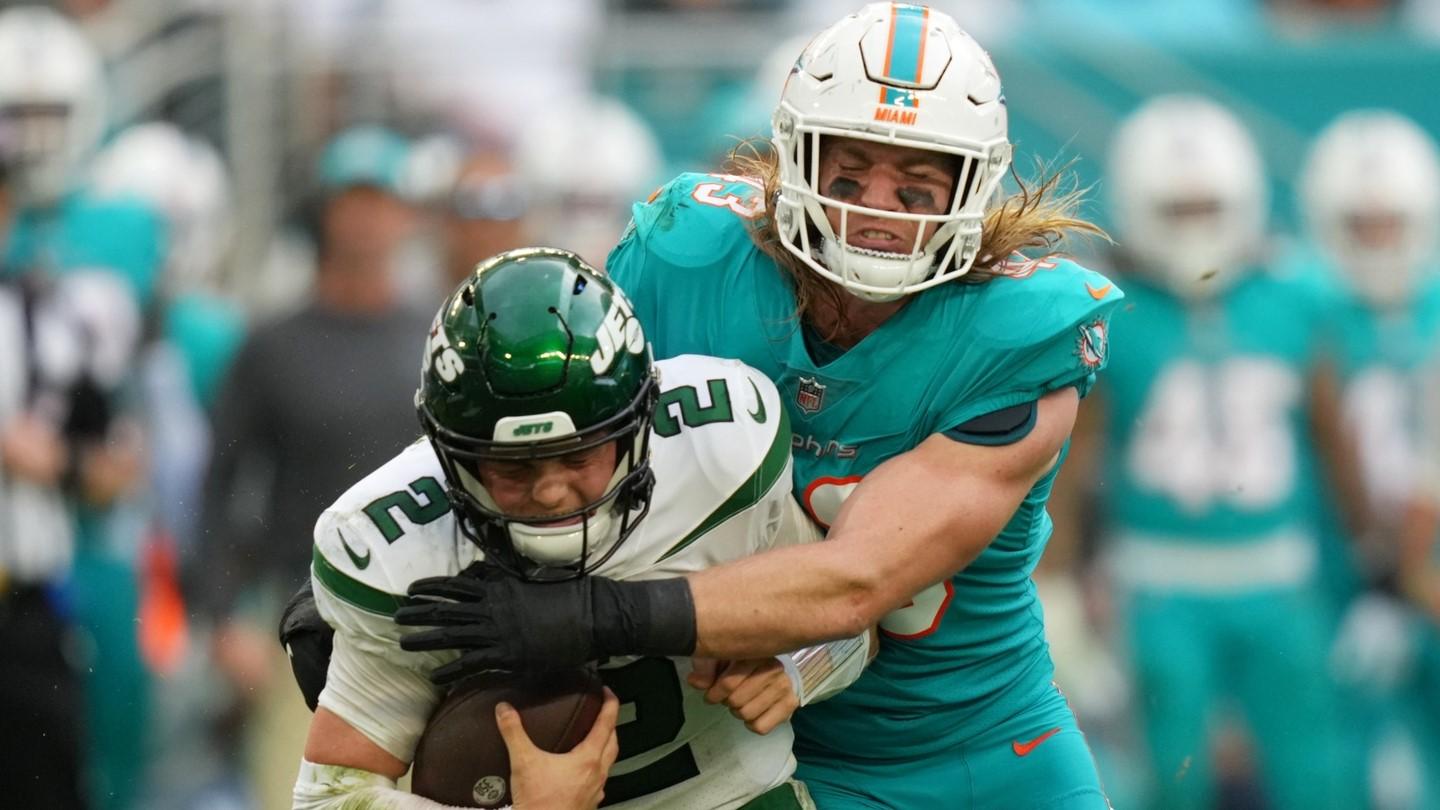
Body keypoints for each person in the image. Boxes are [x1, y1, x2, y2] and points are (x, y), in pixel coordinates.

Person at [393, 5, 1120, 808]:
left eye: (915, 185)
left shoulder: (1017, 334)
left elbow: (856, 582)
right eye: (848, 175)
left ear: (972, 186)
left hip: (982, 746)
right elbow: (540, 426)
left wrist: (593, 617)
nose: (874, 211)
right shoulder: (689, 260)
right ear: (792, 162)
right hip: (741, 752)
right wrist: (378, 572)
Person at [290, 247, 869, 809]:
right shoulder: (397, 548)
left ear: (635, 430)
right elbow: (330, 796)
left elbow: (854, 616)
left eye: (576, 458)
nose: (550, 491)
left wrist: (797, 668)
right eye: (513, 468)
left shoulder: (718, 454)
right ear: (456, 460)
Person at [1052, 95, 1351, 809]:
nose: (1194, 229)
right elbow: (1073, 461)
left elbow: (1335, 445)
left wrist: (1371, 563)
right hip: (1159, 582)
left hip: (1279, 574)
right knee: (1169, 774)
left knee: (1317, 774)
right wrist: (1056, 583)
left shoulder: (1291, 297)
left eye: (1207, 208)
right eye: (1176, 210)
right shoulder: (1108, 306)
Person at [1298, 109, 1440, 809]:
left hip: (1430, 563)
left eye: (1391, 222)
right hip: (1330, 559)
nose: (1378, 242)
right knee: (1331, 755)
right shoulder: (1303, 304)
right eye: (1361, 225)